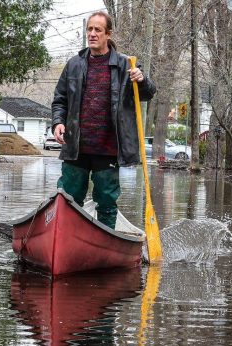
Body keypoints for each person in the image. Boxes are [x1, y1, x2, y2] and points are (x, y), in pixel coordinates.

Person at [51, 11, 157, 230]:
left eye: (97, 30)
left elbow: (147, 94)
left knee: (107, 204)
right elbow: (60, 100)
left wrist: (142, 80)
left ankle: (104, 242)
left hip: (108, 149)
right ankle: (70, 239)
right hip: (76, 148)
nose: (92, 34)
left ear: (108, 34)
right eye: (89, 29)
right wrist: (58, 123)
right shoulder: (73, 64)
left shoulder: (126, 65)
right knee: (68, 200)